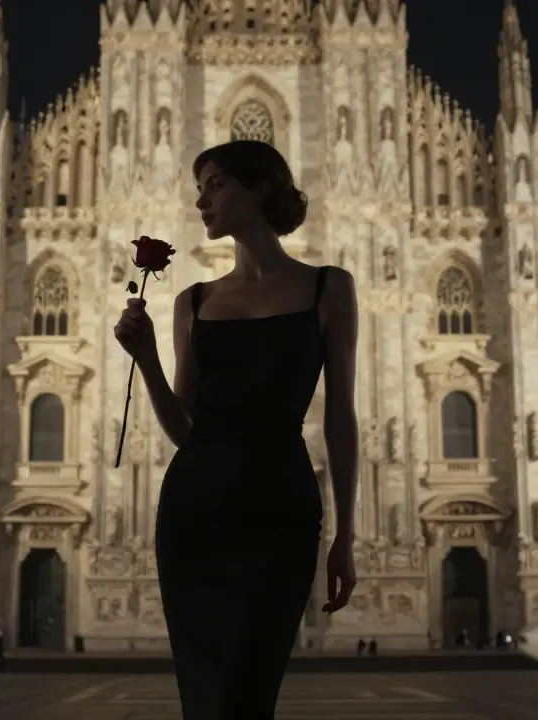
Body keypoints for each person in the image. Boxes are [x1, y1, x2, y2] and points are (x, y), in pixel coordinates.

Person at [114, 139, 359, 719]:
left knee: (251, 688)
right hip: (196, 509)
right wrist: (145, 358)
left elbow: (342, 417)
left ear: (260, 189)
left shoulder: (329, 287)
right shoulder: (192, 301)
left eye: (215, 184)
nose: (202, 200)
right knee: (205, 696)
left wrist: (346, 535)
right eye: (200, 187)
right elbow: (186, 429)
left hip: (281, 504)